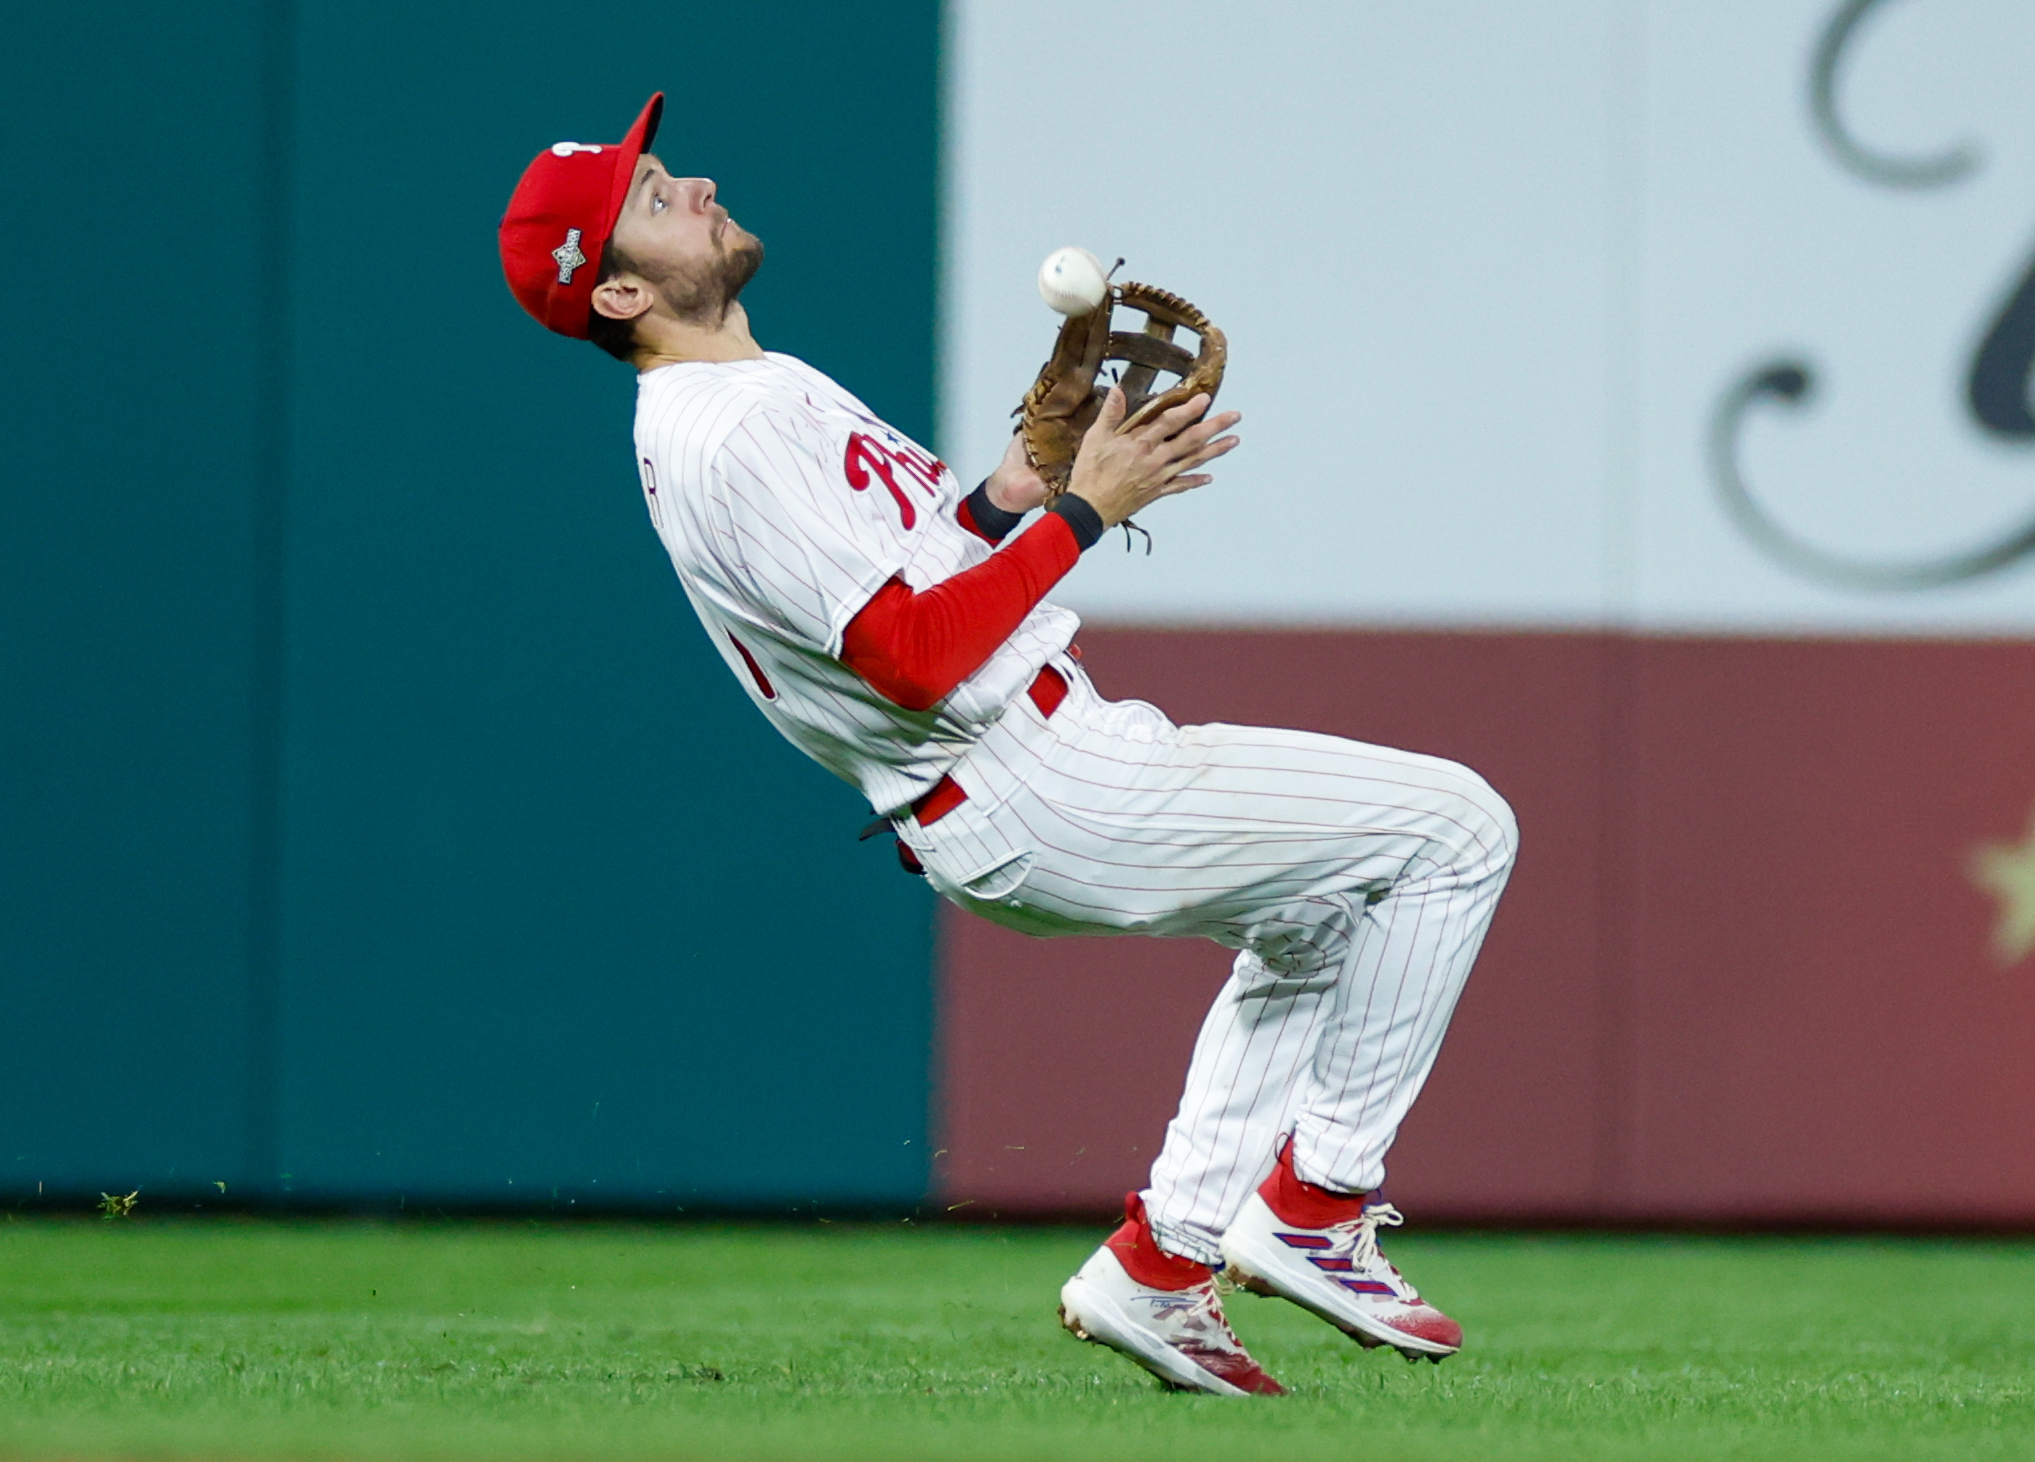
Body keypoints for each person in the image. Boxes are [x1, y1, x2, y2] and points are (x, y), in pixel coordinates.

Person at [498, 94, 1518, 1398]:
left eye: (665, 168)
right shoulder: (722, 429)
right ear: (624, 294)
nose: (692, 181)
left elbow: (928, 570)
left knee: (1323, 920)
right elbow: (911, 659)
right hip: (1028, 781)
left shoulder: (750, 386)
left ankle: (1164, 1260)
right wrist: (1086, 513)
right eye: (652, 198)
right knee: (1458, 827)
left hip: (1026, 766)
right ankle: (1314, 1206)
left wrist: (1012, 493)